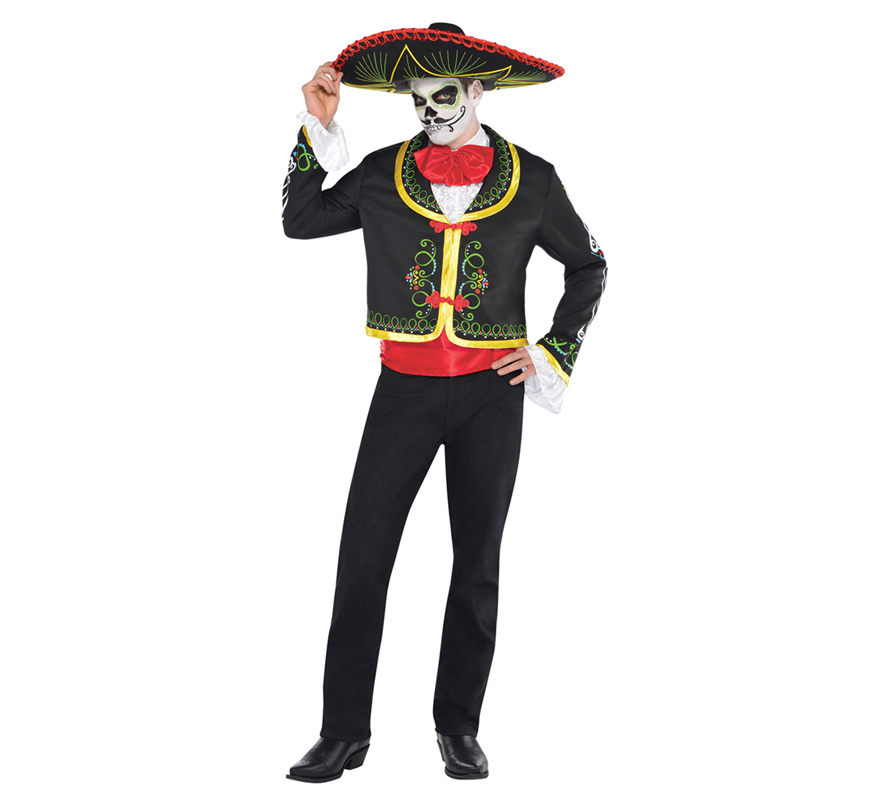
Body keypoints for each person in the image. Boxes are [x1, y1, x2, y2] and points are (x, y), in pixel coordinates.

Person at [282, 23, 607, 782]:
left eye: (445, 95)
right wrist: (318, 127)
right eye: (419, 99)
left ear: (479, 91)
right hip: (403, 390)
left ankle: (458, 725)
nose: (431, 111)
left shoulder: (534, 178)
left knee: (477, 561)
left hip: (493, 395)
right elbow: (300, 221)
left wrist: (552, 350)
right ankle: (342, 731)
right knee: (362, 558)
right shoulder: (380, 172)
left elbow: (590, 266)